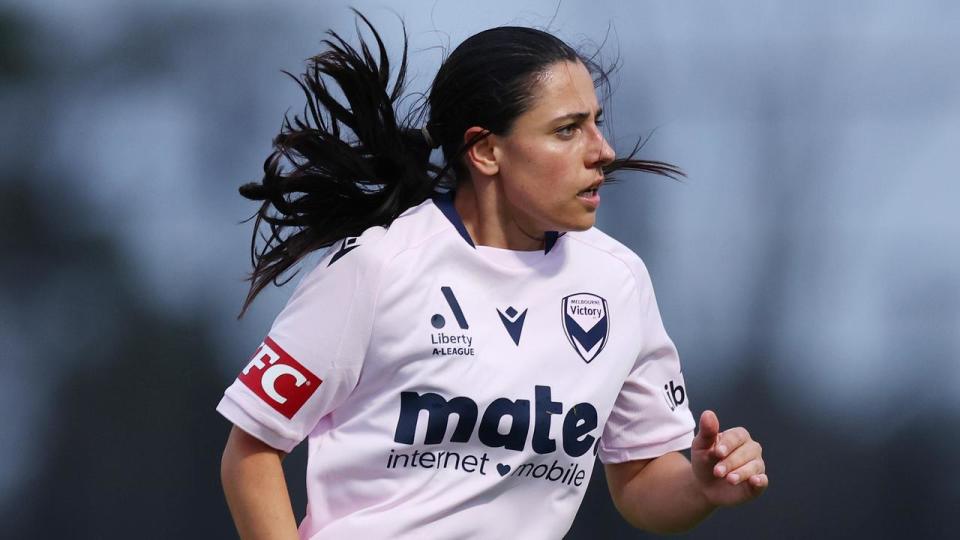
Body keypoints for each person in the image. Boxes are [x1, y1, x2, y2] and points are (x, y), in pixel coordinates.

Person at [217, 12, 767, 540]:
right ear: (485, 151)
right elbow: (251, 451)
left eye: (597, 123)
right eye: (567, 130)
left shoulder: (617, 280)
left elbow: (641, 481)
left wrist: (700, 485)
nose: (603, 151)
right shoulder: (377, 266)